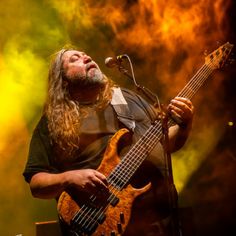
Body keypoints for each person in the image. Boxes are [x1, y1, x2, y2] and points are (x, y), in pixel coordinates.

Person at [23, 48, 194, 236]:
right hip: (100, 223)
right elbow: (36, 183)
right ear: (63, 80)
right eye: (75, 59)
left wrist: (185, 125)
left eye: (85, 54)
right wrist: (70, 177)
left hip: (161, 221)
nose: (86, 57)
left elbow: (164, 146)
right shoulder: (52, 122)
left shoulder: (128, 98)